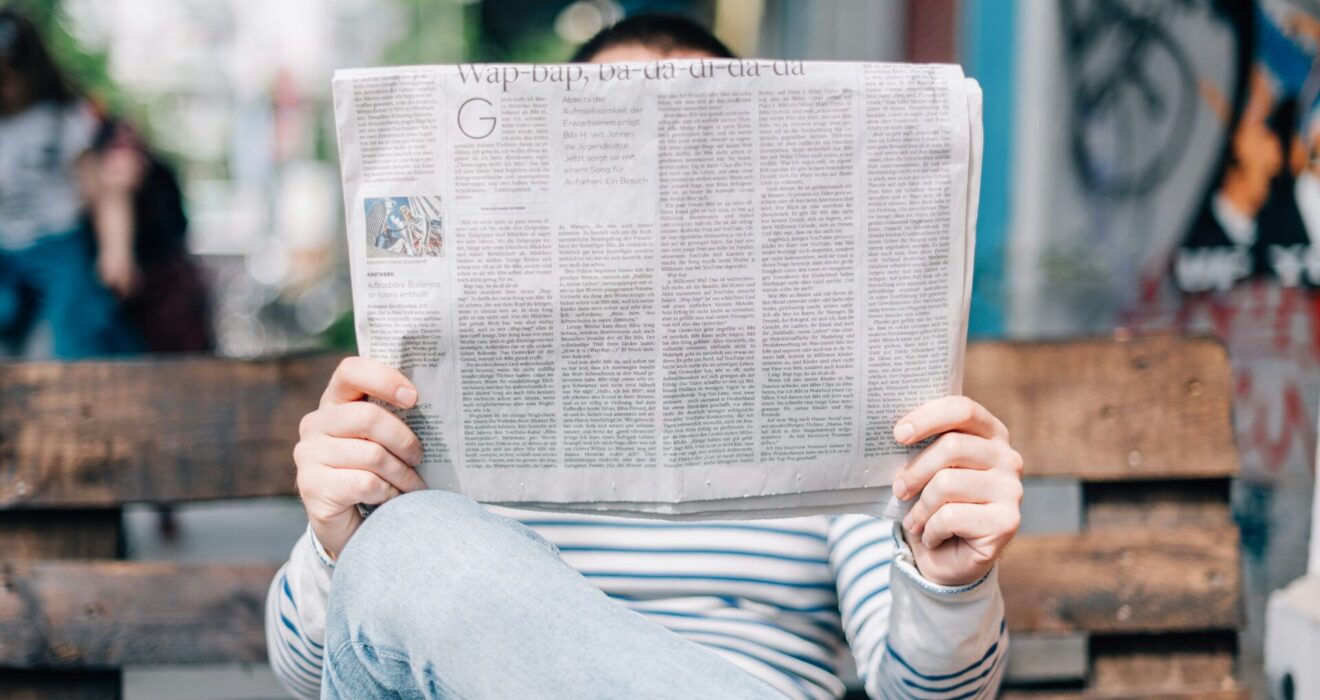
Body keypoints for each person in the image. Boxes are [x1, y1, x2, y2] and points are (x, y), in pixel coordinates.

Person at [267, 15, 1021, 699]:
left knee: (413, 546)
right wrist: (340, 542)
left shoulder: (835, 395)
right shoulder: (434, 398)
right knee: (412, 546)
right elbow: (318, 676)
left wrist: (950, 582)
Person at [0, 9, 141, 358]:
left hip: (59, 245)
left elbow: (105, 191)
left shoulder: (62, 118)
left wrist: (116, 250)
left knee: (71, 336)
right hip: (5, 250)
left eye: (11, 74)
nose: (7, 87)